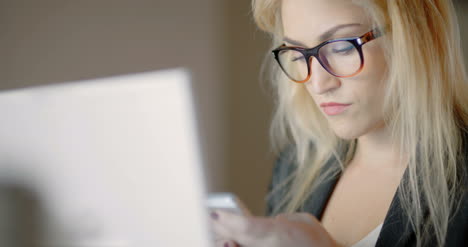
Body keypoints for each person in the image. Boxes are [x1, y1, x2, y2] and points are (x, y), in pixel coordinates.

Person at [210, 0, 468, 246]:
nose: (319, 83)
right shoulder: (295, 167)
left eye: (342, 47)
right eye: (299, 54)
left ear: (417, 35)